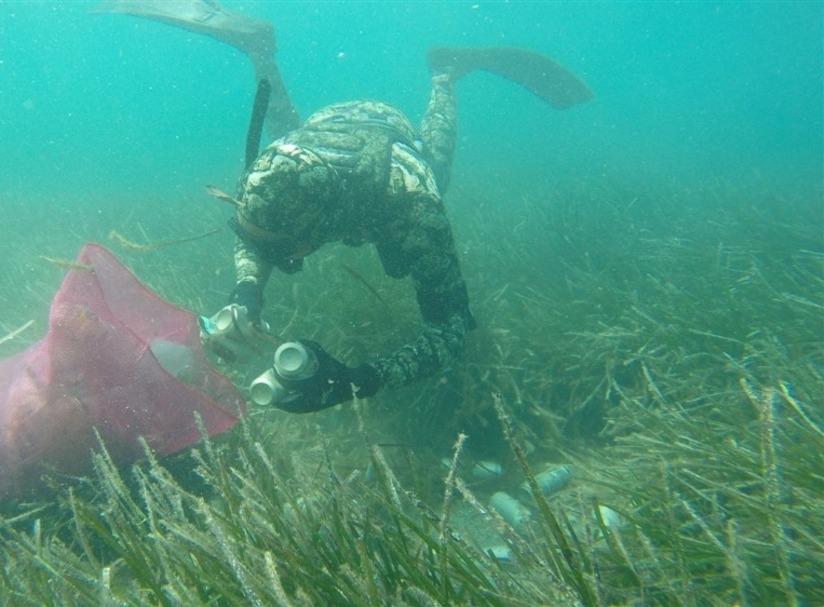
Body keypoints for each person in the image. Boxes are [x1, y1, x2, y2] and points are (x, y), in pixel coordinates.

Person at [98, 1, 591, 413]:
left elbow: (452, 329)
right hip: (323, 130)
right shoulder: (271, 173)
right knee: (287, 130)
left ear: (321, 229)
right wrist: (247, 291)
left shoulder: (410, 203)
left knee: (438, 168)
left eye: (285, 248)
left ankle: (446, 73)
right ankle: (261, 53)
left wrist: (358, 380)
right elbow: (257, 233)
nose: (280, 256)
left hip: (387, 129)